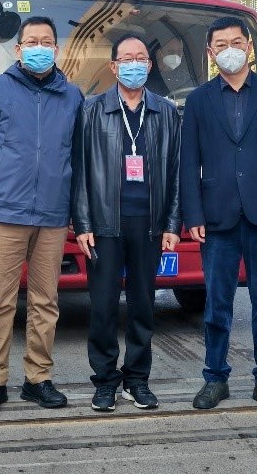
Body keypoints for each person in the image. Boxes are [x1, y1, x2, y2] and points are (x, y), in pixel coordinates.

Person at [179, 16, 257, 410]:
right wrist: (193, 214)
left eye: (237, 42)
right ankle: (214, 378)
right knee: (217, 305)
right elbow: (188, 162)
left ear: (249, 47)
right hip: (217, 219)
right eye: (221, 45)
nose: (230, 50)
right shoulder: (199, 100)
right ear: (210, 52)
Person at [0, 16, 84, 413]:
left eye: (46, 42)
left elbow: (79, 159)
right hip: (5, 213)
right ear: (18, 49)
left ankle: (38, 378)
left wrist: (76, 211)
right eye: (31, 41)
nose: (39, 48)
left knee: (45, 301)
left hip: (53, 216)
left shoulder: (72, 96)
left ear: (56, 49)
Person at [71, 33, 182, 412]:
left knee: (143, 306)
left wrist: (173, 224)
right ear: (114, 66)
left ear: (149, 65)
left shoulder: (165, 112)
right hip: (104, 225)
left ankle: (137, 380)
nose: (134, 65)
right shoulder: (91, 110)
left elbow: (177, 172)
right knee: (103, 307)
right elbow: (80, 170)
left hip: (149, 225)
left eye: (140, 59)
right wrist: (82, 223)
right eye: (126, 59)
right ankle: (105, 381)